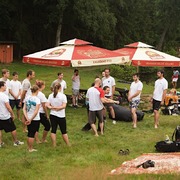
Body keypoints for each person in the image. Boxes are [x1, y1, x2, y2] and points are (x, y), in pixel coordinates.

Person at [0, 81, 24, 148]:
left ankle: (0, 142)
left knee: (0, 129)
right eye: (5, 86)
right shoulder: (4, 96)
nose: (6, 87)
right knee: (13, 128)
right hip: (5, 116)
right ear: (2, 86)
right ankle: (15, 142)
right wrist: (12, 114)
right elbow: (8, 107)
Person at [23, 85, 40, 152]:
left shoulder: (27, 98)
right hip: (35, 119)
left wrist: (27, 118)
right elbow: (36, 111)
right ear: (37, 91)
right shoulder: (37, 99)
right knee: (32, 134)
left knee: (29, 132)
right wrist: (31, 119)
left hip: (28, 117)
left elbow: (24, 109)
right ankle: (30, 148)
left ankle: (29, 147)